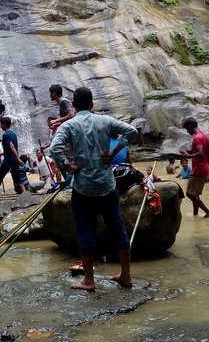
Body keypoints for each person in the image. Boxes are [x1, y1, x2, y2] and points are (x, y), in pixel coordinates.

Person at [50, 86, 137, 291]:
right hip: (107, 185)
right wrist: (115, 150)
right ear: (92, 104)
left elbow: (55, 149)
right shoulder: (105, 121)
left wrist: (68, 166)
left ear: (73, 105)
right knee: (117, 228)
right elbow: (131, 131)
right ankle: (126, 275)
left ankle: (89, 281)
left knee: (85, 231)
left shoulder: (69, 125)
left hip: (83, 187)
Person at [180, 118, 209, 218]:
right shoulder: (204, 136)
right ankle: (195, 215)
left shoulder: (197, 138)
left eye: (187, 129)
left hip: (198, 169)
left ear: (190, 126)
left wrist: (188, 156)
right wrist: (208, 163)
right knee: (195, 195)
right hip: (204, 168)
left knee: (189, 194)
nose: (187, 131)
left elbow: (200, 153)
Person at [0, 117, 24, 196]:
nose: (1, 126)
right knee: (18, 180)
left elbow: (11, 146)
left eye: (1, 124)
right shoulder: (13, 134)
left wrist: (18, 158)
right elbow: (9, 149)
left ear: (5, 124)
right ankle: (26, 196)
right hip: (14, 161)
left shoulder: (5, 135)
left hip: (8, 161)